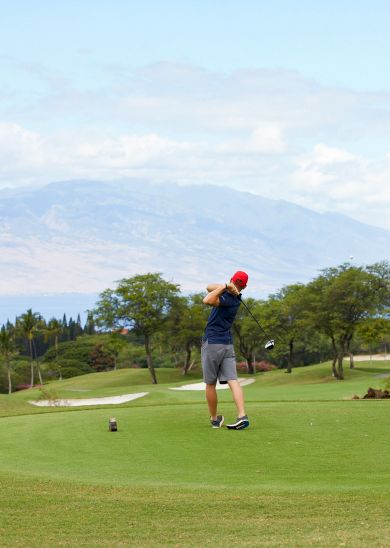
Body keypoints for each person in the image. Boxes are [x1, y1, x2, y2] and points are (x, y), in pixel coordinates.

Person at [202, 270, 250, 430]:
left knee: (210, 384)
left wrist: (224, 286)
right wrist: (227, 287)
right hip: (227, 344)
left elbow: (207, 299)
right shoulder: (236, 298)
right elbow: (209, 286)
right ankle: (242, 415)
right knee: (233, 380)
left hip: (213, 343)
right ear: (245, 286)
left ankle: (215, 419)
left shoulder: (227, 299)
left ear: (231, 279)